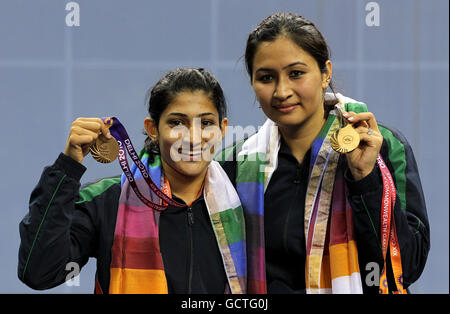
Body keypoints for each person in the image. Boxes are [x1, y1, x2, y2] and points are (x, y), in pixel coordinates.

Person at [218, 12, 430, 294]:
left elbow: (408, 265)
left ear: (325, 73)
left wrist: (365, 178)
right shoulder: (234, 164)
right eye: (267, 77)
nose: (281, 91)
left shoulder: (381, 146)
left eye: (296, 73)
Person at [18, 68, 248, 294]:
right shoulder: (107, 201)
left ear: (223, 128)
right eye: (177, 122)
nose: (193, 137)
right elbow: (39, 273)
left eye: (206, 123)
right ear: (153, 129)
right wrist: (67, 167)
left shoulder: (244, 201)